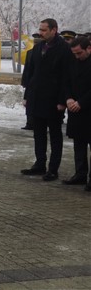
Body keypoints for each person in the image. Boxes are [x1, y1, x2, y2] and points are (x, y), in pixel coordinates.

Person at [20, 18, 72, 181]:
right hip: (37, 98)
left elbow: (66, 77)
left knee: (55, 135)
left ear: (54, 30)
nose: (41, 33)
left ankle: (53, 169)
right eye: (40, 29)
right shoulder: (38, 48)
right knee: (39, 134)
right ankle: (39, 164)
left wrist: (62, 101)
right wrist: (27, 96)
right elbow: (32, 75)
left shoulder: (64, 49)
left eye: (44, 30)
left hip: (53, 101)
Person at [62, 36, 91, 190]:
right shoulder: (72, 62)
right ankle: (80, 174)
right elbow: (66, 82)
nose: (77, 56)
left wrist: (81, 102)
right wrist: (68, 99)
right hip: (74, 110)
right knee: (78, 145)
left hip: (87, 109)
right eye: (74, 53)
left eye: (79, 53)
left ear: (88, 49)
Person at [20, 34, 40, 131]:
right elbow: (27, 68)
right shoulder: (30, 53)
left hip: (37, 83)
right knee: (28, 103)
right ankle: (30, 122)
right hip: (30, 83)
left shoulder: (44, 53)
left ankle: (33, 123)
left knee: (33, 103)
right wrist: (25, 81)